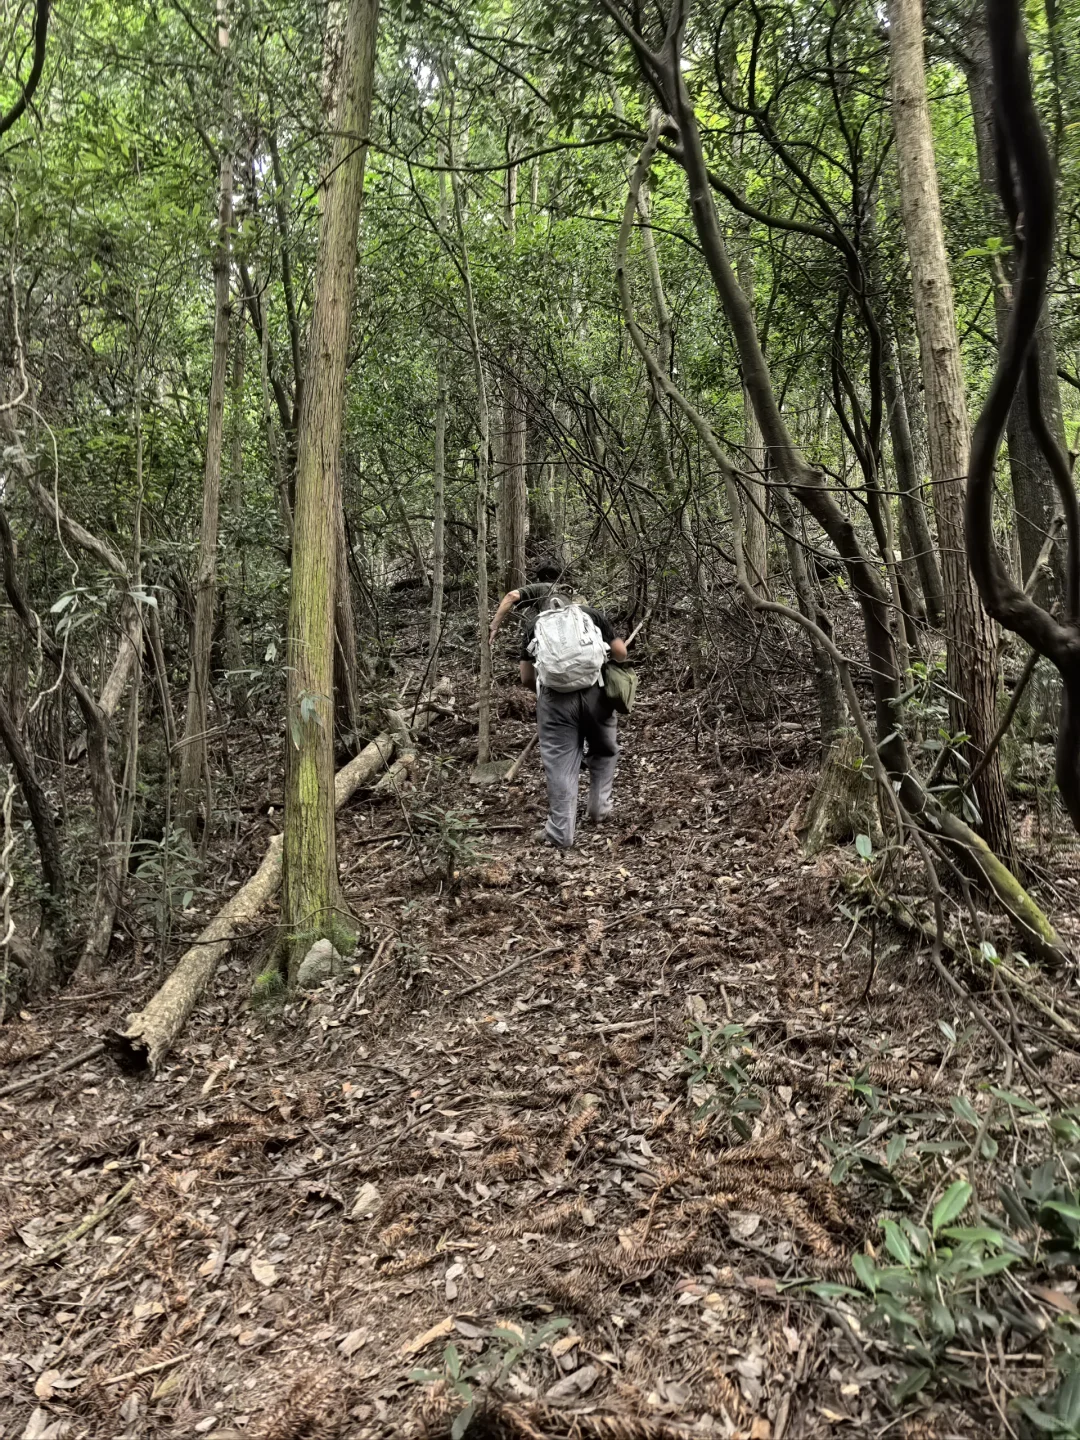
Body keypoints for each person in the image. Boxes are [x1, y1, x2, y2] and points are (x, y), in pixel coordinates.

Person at [490, 567, 628, 850]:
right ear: (571, 597)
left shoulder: (534, 627)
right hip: (597, 694)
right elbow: (620, 653)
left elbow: (527, 678)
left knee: (561, 766)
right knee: (604, 749)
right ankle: (599, 808)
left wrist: (546, 696)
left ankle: (561, 832)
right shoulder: (590, 615)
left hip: (555, 703)